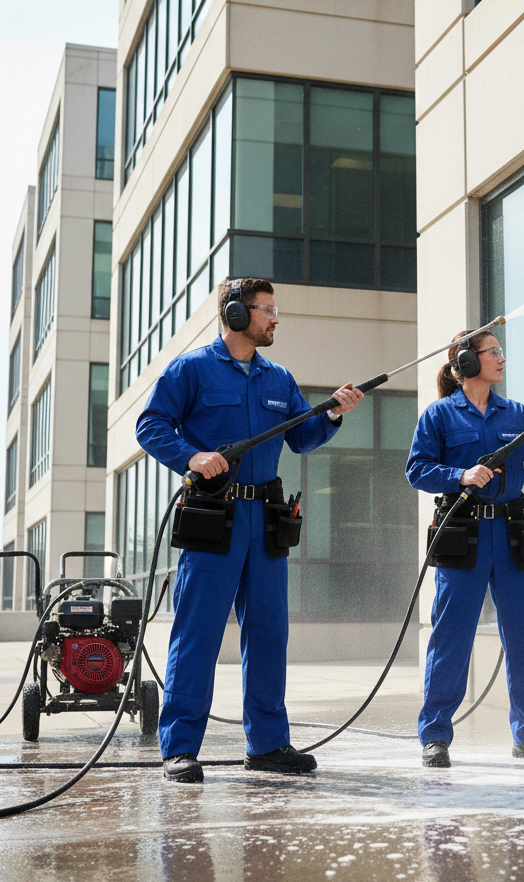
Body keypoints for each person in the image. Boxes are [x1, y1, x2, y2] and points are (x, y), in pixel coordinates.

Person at [136, 277, 363, 782]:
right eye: (267, 310)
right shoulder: (191, 369)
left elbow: (302, 437)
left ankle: (267, 745)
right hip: (212, 517)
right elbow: (150, 425)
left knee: (268, 635)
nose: (275, 318)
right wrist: (191, 455)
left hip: (266, 521)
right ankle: (180, 748)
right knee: (197, 635)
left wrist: (334, 414)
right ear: (236, 314)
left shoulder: (279, 379)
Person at [406, 329, 524, 768]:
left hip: (513, 535)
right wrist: (461, 476)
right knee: (451, 636)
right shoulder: (439, 416)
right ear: (466, 361)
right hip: (462, 536)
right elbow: (418, 470)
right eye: (493, 352)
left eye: (501, 351)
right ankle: (436, 736)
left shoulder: (516, 413)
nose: (502, 358)